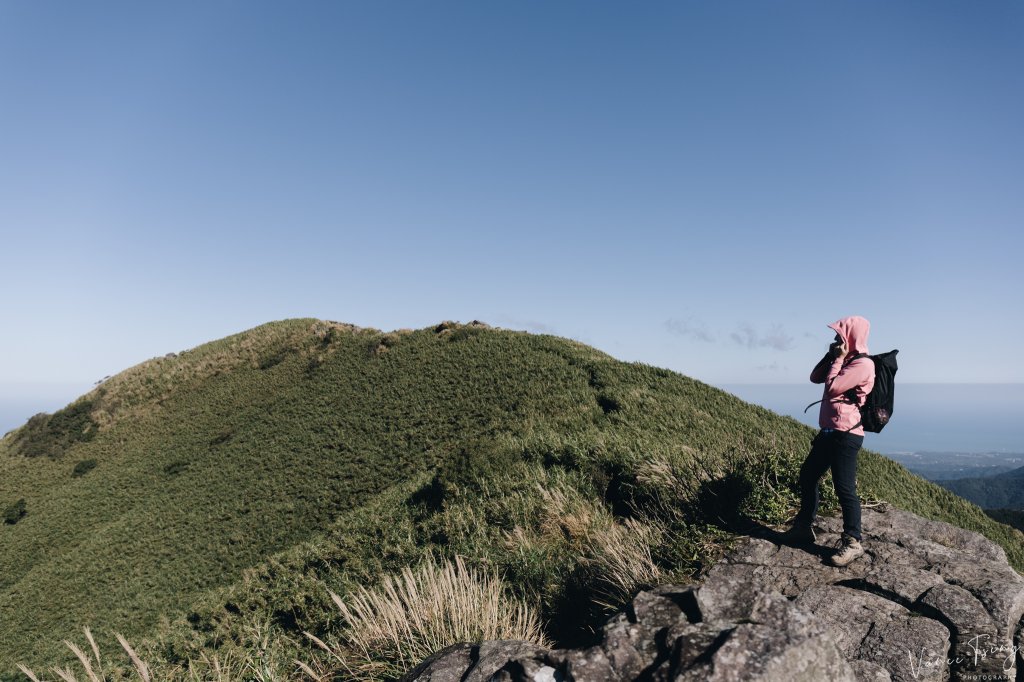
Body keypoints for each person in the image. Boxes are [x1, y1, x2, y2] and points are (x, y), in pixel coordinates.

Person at [783, 315, 875, 567]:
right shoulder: (845, 359)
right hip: (829, 431)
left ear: (851, 337)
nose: (836, 339)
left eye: (840, 335)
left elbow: (833, 388)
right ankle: (803, 527)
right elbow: (815, 377)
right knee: (808, 475)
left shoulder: (863, 365)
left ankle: (853, 541)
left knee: (844, 488)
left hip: (847, 435)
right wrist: (831, 356)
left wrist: (838, 359)